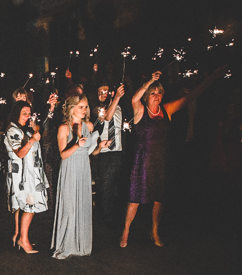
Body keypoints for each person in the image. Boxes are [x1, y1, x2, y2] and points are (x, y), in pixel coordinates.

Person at [119, 67, 226, 247]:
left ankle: (154, 231)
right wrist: (148, 82)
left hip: (160, 160)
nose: (157, 95)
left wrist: (212, 78)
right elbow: (133, 98)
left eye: (159, 92)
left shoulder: (166, 110)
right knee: (134, 199)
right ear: (147, 95)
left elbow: (189, 97)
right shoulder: (140, 110)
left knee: (159, 198)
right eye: (153, 93)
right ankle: (126, 230)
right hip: (142, 162)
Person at [51, 95, 110, 259]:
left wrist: (100, 146)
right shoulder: (64, 128)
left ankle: (81, 244)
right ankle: (66, 244)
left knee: (83, 204)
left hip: (84, 168)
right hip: (70, 168)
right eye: (81, 107)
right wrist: (77, 144)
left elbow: (92, 152)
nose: (84, 110)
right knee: (69, 206)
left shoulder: (89, 125)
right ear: (72, 108)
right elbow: (63, 155)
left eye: (85, 107)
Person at [4, 101, 48, 253]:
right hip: (21, 175)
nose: (27, 116)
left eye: (29, 113)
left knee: (29, 206)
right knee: (29, 205)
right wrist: (32, 139)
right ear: (16, 113)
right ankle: (23, 239)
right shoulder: (12, 130)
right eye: (24, 113)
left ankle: (21, 237)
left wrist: (35, 131)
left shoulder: (25, 129)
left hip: (31, 174)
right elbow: (20, 153)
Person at [92, 83, 126, 228]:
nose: (103, 94)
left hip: (118, 150)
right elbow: (107, 117)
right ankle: (106, 218)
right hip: (103, 151)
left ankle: (114, 214)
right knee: (105, 184)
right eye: (100, 91)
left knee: (114, 183)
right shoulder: (97, 109)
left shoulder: (120, 107)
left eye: (105, 91)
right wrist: (117, 97)